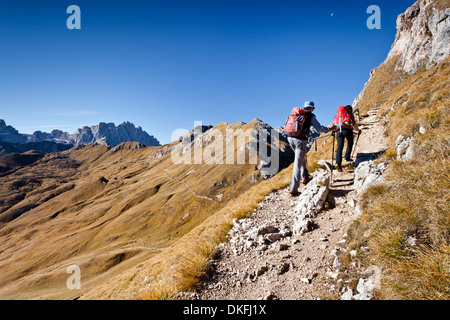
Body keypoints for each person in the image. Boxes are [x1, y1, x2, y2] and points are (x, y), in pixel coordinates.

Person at [286, 101, 329, 197]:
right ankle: (293, 189)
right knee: (297, 164)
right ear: (312, 108)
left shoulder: (296, 114)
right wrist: (330, 129)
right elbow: (319, 129)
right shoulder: (310, 116)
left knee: (302, 158)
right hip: (300, 141)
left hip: (290, 138)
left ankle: (305, 178)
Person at [333, 105, 360, 172]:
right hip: (347, 130)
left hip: (339, 131)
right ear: (350, 109)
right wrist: (358, 130)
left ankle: (338, 163)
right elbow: (354, 123)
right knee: (350, 142)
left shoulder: (337, 115)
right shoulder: (350, 114)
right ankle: (347, 157)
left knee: (339, 147)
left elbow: (334, 124)